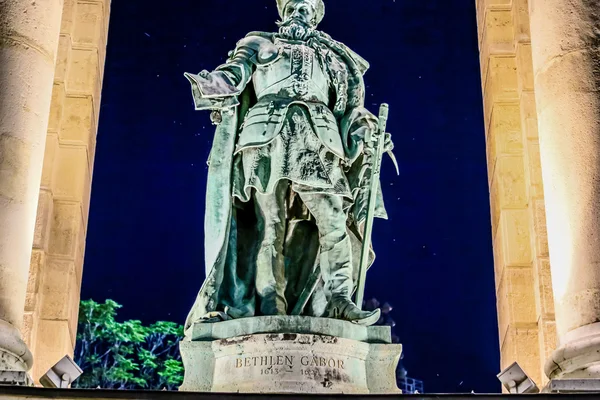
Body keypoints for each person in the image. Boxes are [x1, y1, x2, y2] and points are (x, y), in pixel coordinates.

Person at [183, 0, 393, 334]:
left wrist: (366, 128)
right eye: (294, 6)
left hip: (319, 140)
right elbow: (234, 74)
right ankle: (270, 303)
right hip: (264, 135)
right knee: (271, 226)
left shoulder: (336, 59)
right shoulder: (258, 43)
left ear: (317, 16)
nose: (300, 13)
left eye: (308, 8)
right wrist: (213, 85)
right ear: (283, 13)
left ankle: (339, 297)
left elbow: (352, 108)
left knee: (333, 218)